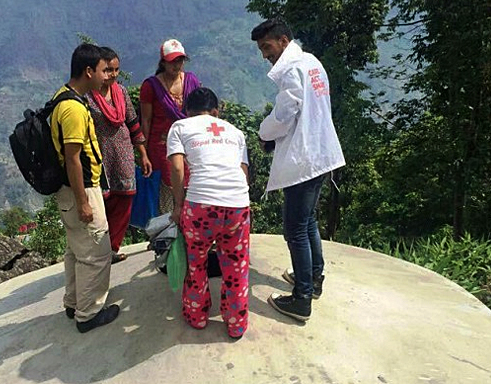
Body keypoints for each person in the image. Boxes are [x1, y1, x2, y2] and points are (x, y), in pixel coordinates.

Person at [251, 18, 345, 322]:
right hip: (320, 153)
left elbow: (284, 114)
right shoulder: (311, 62)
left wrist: (263, 133)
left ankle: (302, 298)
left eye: (267, 47)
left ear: (282, 40)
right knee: (308, 221)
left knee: (295, 230)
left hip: (304, 160)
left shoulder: (293, 70)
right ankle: (314, 279)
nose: (265, 55)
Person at [167, 87, 251, 339]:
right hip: (237, 204)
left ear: (187, 111)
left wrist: (179, 206)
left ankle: (197, 316)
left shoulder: (180, 127)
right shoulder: (235, 132)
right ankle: (236, 323)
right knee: (236, 266)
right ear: (216, 111)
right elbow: (243, 170)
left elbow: (177, 169)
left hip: (200, 205)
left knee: (196, 262)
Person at [50, 43, 120, 333]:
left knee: (76, 249)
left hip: (69, 191)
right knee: (95, 253)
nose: (107, 77)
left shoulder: (61, 97)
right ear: (88, 71)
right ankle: (89, 314)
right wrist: (84, 202)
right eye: (104, 71)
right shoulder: (74, 110)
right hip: (81, 189)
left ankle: (74, 301)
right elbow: (73, 159)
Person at [86, 47, 152, 264]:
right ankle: (99, 250)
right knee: (102, 202)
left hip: (122, 151)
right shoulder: (87, 96)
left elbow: (132, 122)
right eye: (108, 70)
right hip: (100, 154)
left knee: (125, 198)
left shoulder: (121, 92)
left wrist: (142, 153)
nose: (112, 75)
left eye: (116, 70)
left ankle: (112, 247)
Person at [140, 39, 201, 214]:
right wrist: (144, 154)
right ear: (163, 62)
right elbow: (146, 121)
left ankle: (191, 230)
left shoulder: (192, 81)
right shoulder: (151, 86)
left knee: (191, 189)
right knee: (166, 192)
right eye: (172, 61)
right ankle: (167, 235)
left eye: (180, 60)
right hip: (161, 148)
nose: (177, 65)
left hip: (190, 145)